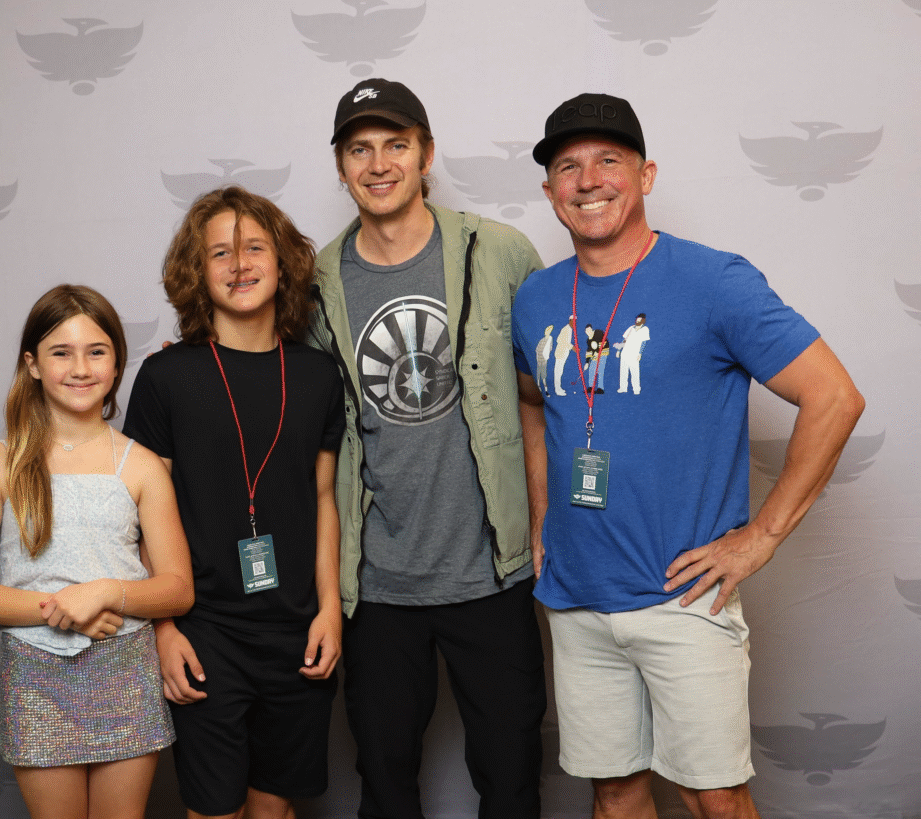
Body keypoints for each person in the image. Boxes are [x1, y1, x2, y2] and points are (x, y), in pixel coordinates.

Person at [512, 93, 864, 819]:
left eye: (609, 160)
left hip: (683, 598)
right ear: (549, 193)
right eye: (569, 167)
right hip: (576, 597)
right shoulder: (536, 298)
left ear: (646, 176)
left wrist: (761, 536)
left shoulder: (713, 281)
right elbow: (533, 401)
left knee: (716, 799)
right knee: (615, 794)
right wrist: (543, 514)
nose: (589, 180)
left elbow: (835, 397)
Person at [308, 78, 547, 819]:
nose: (379, 164)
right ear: (341, 166)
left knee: (511, 779)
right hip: (378, 585)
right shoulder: (316, 282)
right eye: (360, 149)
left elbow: (545, 400)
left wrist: (546, 526)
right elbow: (300, 418)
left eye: (396, 144)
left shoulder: (499, 252)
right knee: (384, 784)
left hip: (493, 571)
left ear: (426, 154)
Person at [124, 186, 345, 819]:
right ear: (197, 271)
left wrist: (330, 611)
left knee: (273, 809)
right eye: (219, 252)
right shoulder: (166, 377)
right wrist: (164, 630)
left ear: (283, 263)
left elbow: (323, 499)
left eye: (254, 249)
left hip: (297, 631)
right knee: (214, 811)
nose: (239, 264)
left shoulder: (318, 375)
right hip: (204, 630)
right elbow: (141, 517)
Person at [0, 284, 194, 819]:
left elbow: (177, 588)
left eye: (96, 351)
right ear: (32, 364)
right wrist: (61, 609)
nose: (80, 368)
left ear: (117, 363)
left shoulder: (142, 465)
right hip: (36, 676)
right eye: (61, 352)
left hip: (125, 671)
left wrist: (105, 592)